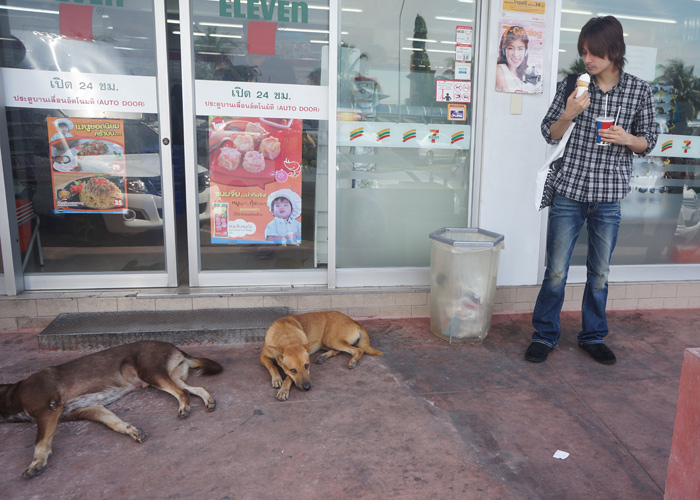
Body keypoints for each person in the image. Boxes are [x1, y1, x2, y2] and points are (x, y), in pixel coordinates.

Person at [526, 16, 658, 365]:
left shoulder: (639, 90)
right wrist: (569, 113)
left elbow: (649, 142)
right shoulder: (573, 85)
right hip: (569, 192)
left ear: (614, 51)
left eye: (594, 53)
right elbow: (550, 133)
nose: (588, 59)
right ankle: (544, 334)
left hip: (609, 196)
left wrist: (627, 138)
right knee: (556, 271)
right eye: (583, 52)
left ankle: (593, 336)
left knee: (599, 273)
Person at [495, 26, 539, 93]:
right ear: (504, 50)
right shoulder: (499, 69)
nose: (515, 54)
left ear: (525, 51)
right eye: (510, 48)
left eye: (520, 49)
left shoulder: (523, 74)